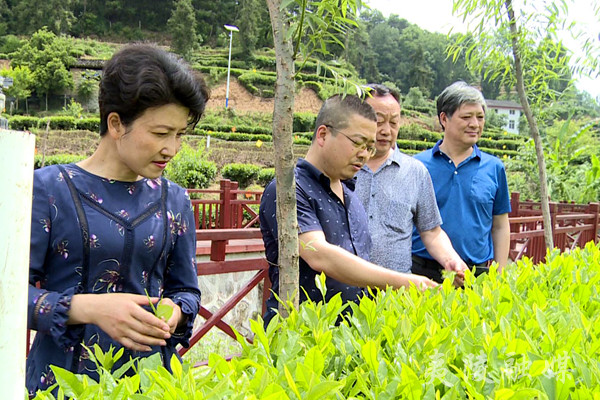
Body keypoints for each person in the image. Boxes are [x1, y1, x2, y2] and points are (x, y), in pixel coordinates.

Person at [27, 44, 207, 394]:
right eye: (160, 133)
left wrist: (176, 310)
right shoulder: (48, 190)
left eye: (180, 134)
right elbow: (9, 296)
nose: (172, 148)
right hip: (64, 385)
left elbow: (186, 290)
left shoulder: (175, 200)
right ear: (115, 123)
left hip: (153, 383)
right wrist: (89, 308)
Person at [259, 94, 437, 325]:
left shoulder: (351, 197)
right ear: (323, 134)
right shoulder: (288, 190)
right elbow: (320, 256)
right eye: (357, 142)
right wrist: (404, 281)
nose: (363, 154)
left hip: (349, 337)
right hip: (301, 338)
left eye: (369, 148)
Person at [354, 84, 467, 284]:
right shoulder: (340, 169)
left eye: (394, 123)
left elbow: (432, 232)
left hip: (397, 295)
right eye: (378, 121)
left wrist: (452, 260)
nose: (386, 130)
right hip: (341, 292)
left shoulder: (415, 172)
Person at [412, 81, 511, 282]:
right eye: (466, 117)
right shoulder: (417, 166)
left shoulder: (494, 168)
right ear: (443, 118)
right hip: (423, 272)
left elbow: (500, 225)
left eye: (480, 117)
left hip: (476, 275)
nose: (475, 124)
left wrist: (499, 275)